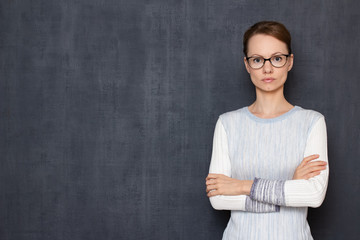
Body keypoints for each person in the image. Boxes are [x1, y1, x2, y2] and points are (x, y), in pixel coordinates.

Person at [205, 21, 329, 240]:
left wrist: (242, 186)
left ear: (290, 62)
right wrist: (288, 189)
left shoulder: (312, 122)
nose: (267, 68)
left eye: (277, 58)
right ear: (247, 64)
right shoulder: (227, 123)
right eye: (257, 60)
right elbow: (218, 198)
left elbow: (314, 194)